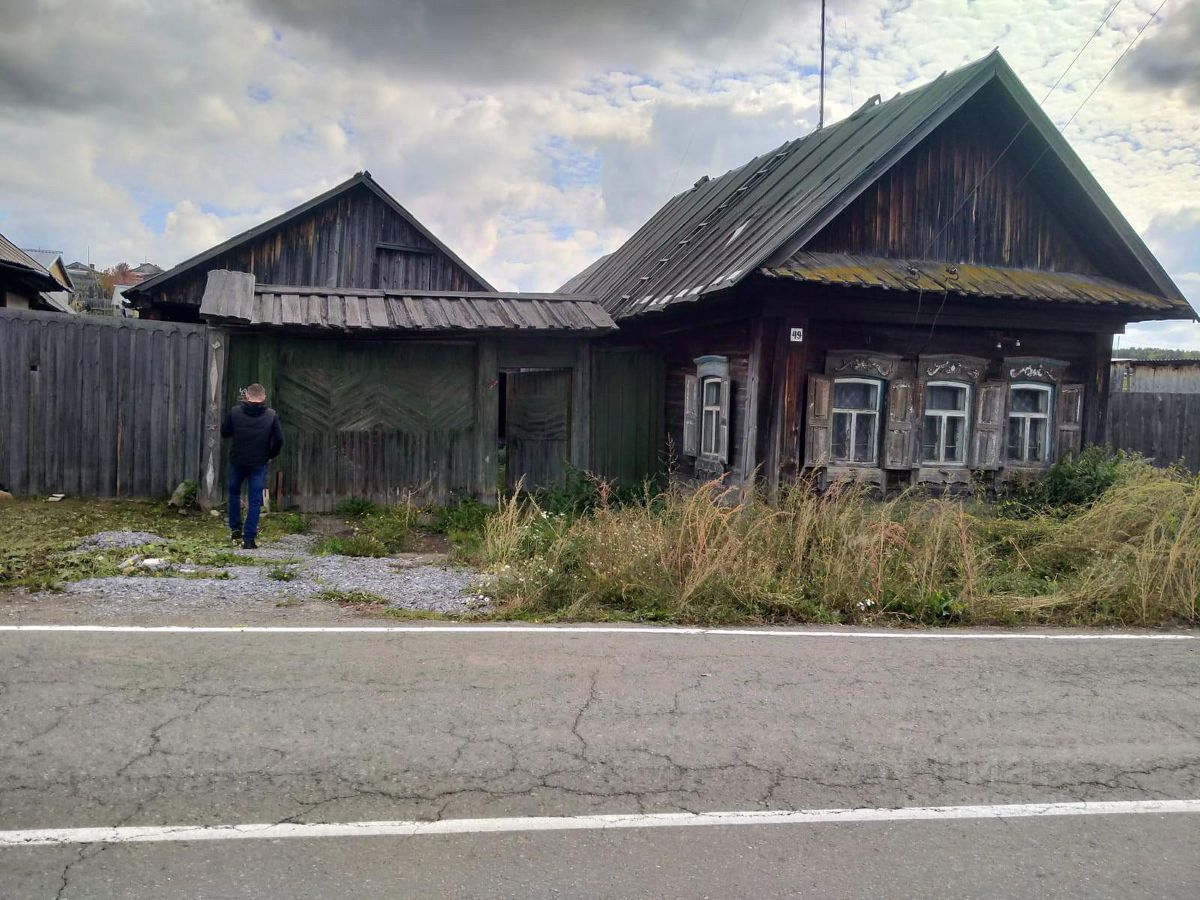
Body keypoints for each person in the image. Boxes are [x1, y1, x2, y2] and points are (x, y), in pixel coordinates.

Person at [221, 383, 283, 549]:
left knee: (234, 494)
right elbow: (279, 440)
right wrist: (270, 455)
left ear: (247, 396)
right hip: (259, 462)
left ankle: (235, 529)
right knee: (255, 501)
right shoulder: (271, 415)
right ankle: (249, 539)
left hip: (238, 460)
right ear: (263, 397)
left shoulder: (235, 412)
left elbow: (224, 432)